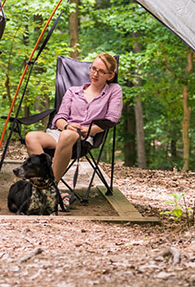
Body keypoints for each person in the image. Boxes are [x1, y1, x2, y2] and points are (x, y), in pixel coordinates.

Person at [24, 53, 122, 201]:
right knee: (31, 136)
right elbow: (59, 118)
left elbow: (112, 119)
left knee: (67, 135)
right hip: (62, 131)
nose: (95, 74)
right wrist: (68, 126)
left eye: (101, 71)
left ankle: (48, 189)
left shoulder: (113, 90)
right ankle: (50, 189)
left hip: (84, 137)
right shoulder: (73, 91)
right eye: (93, 68)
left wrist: (87, 130)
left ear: (110, 75)